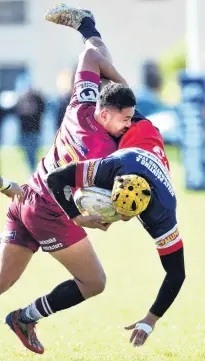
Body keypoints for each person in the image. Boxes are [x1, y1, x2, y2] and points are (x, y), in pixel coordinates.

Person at [3, 5, 136, 354]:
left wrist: (118, 82)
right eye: (126, 119)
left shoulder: (81, 105)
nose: (129, 124)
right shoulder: (104, 152)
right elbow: (71, 190)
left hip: (25, 198)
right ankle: (26, 317)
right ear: (107, 115)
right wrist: (88, 218)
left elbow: (92, 54)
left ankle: (86, 22)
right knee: (94, 281)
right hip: (48, 210)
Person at [43, 120, 185, 348]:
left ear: (143, 211)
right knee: (101, 110)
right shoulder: (113, 166)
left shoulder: (162, 213)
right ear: (112, 186)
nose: (120, 217)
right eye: (116, 209)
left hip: (146, 137)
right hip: (134, 135)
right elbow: (55, 178)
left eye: (125, 215)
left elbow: (177, 273)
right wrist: (77, 216)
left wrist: (151, 319)